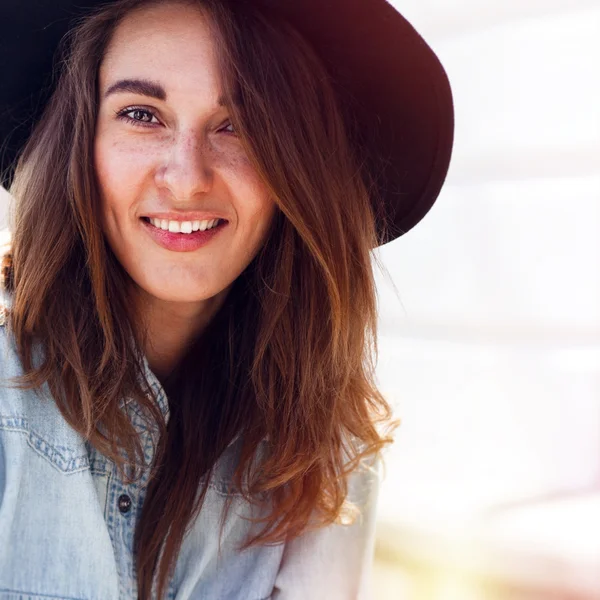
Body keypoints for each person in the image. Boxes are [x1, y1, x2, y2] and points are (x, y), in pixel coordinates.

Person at [0, 0, 453, 598]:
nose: (187, 178)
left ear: (300, 170)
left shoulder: (323, 445)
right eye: (141, 114)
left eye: (237, 125)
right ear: (77, 144)